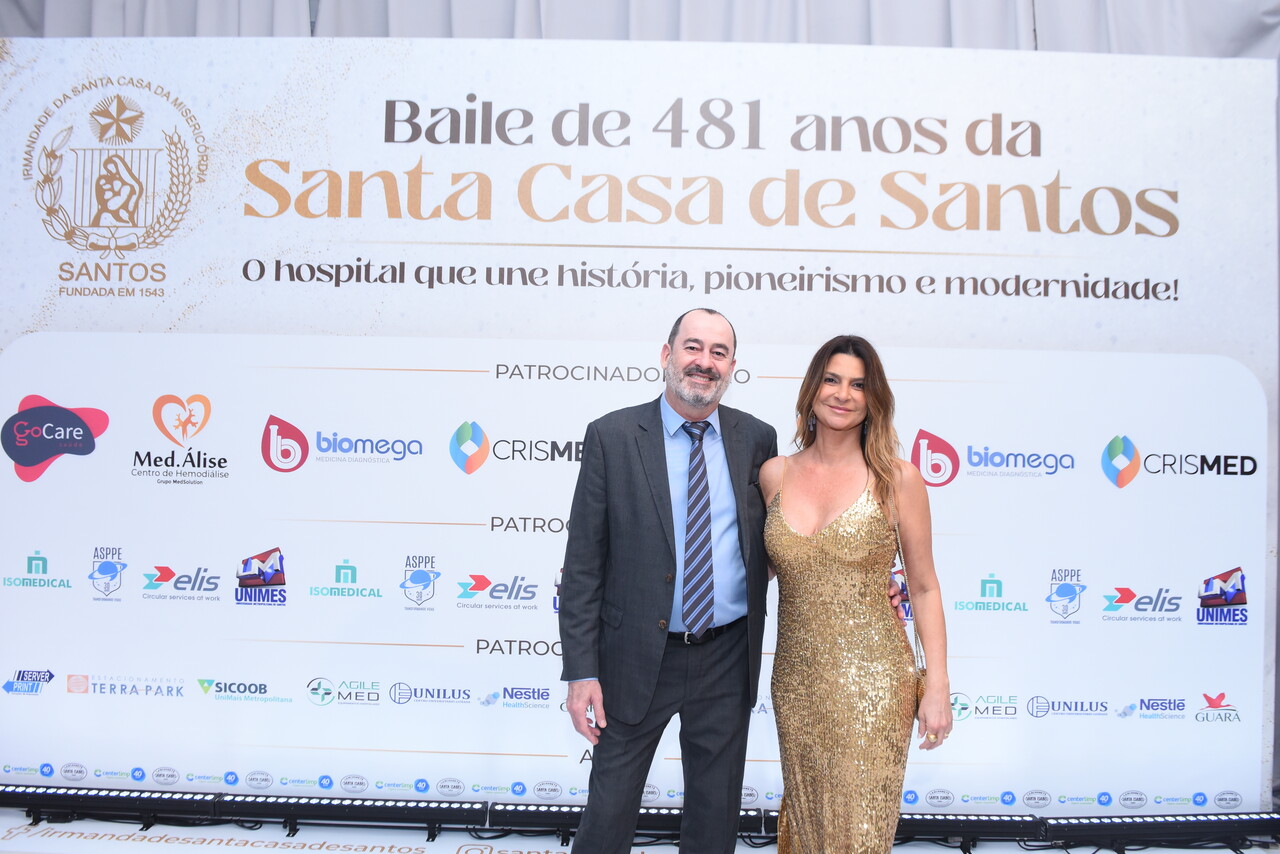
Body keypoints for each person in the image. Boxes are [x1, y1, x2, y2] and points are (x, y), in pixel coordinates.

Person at [558, 308, 778, 853]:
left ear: (732, 367)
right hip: (635, 655)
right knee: (609, 812)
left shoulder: (757, 439)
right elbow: (583, 564)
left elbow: (781, 540)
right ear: (667, 355)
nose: (704, 362)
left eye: (719, 353)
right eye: (693, 347)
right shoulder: (612, 436)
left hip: (727, 655)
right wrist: (581, 670)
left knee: (715, 815)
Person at [758, 334, 952, 854]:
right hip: (796, 682)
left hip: (875, 683)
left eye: (858, 385)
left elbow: (924, 587)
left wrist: (936, 684)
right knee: (808, 826)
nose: (842, 394)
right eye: (832, 379)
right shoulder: (774, 474)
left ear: (874, 399)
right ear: (812, 389)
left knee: (859, 835)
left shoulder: (898, 479)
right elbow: (766, 569)